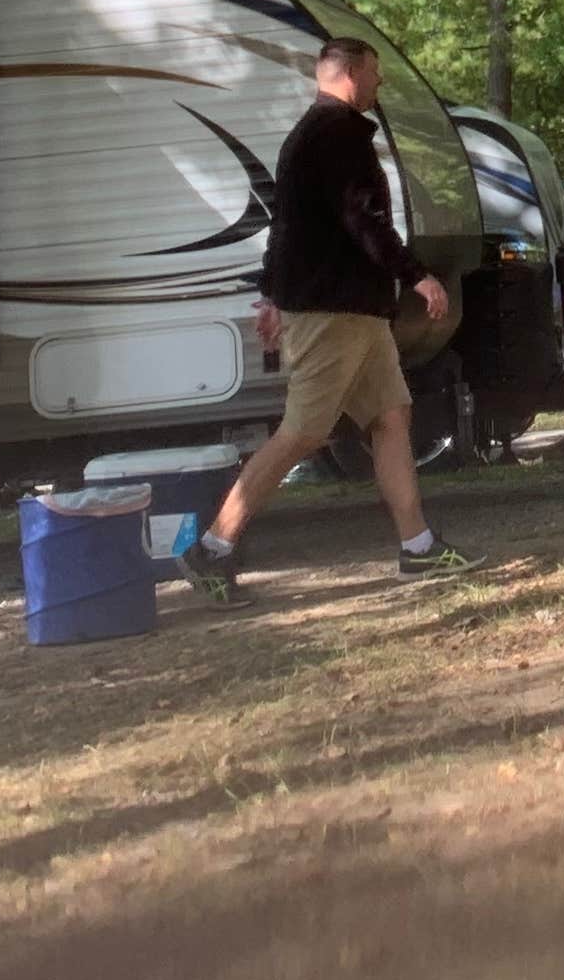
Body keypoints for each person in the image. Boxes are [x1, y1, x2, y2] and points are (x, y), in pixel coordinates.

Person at [188, 34, 469, 593]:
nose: (380, 84)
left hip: (357, 312)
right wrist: (418, 274)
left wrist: (271, 293)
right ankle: (212, 550)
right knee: (301, 434)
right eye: (375, 74)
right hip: (333, 313)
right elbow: (365, 221)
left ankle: (418, 547)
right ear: (350, 75)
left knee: (391, 417)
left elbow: (287, 224)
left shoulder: (311, 135)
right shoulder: (337, 134)